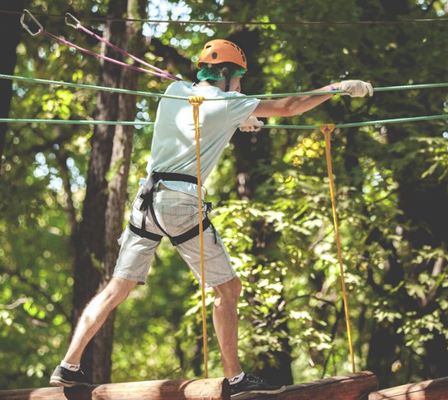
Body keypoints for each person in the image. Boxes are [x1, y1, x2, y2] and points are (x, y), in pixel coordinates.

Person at [49, 39, 372, 396]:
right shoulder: (228, 102)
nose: (241, 86)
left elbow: (198, 122)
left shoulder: (174, 91)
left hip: (146, 201)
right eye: (238, 78)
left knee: (116, 289)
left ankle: (69, 363)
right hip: (179, 203)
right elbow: (291, 106)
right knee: (228, 289)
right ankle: (234, 379)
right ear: (223, 74)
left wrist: (240, 119)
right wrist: (335, 88)